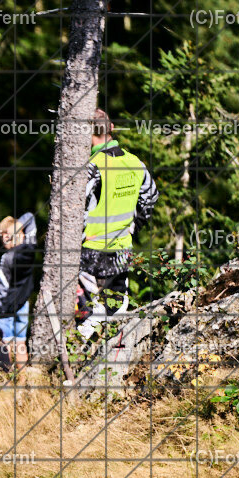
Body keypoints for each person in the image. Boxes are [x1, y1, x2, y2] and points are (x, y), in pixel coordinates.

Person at [77, 109, 159, 339]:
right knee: (117, 306)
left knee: (89, 313)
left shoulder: (92, 166)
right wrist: (134, 226)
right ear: (111, 128)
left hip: (91, 250)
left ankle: (80, 358)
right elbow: (151, 196)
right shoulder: (134, 162)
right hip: (123, 246)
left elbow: (75, 208)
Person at [0, 212, 37, 369]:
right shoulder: (30, 247)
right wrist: (16, 228)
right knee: (21, 343)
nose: (3, 241)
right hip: (23, 303)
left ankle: (7, 382)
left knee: (6, 343)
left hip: (6, 308)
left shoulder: (7, 258)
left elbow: (1, 289)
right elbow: (30, 216)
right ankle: (22, 381)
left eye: (4, 236)